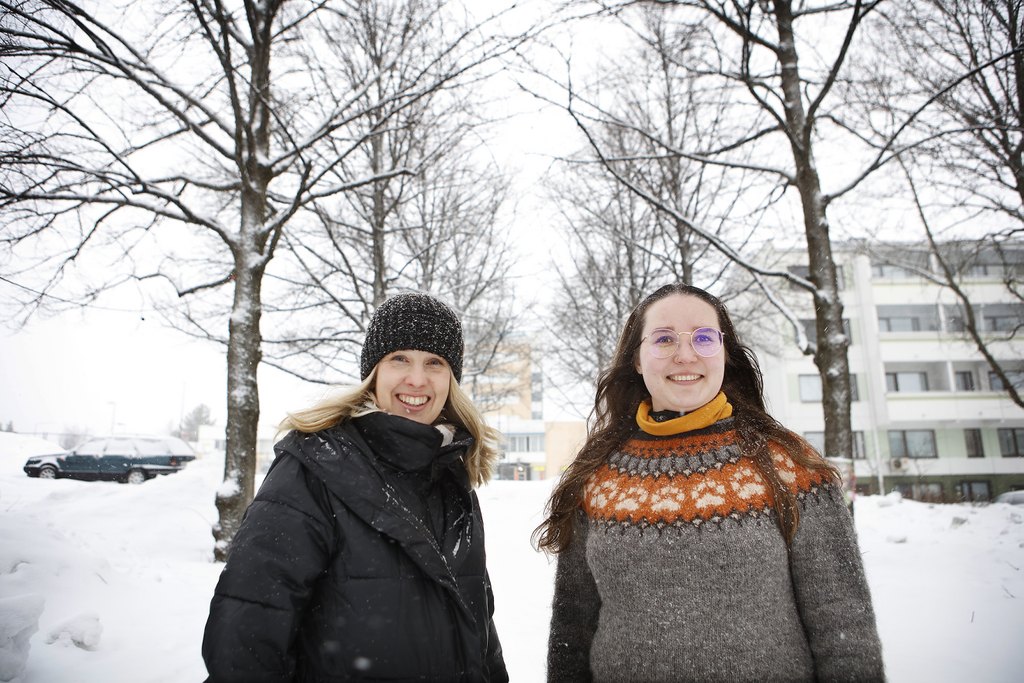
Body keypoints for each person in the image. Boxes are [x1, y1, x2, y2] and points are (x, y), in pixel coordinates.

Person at [537, 283, 884, 682]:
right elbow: (572, 627)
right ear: (636, 358)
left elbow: (843, 624)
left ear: (724, 353)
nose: (686, 354)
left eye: (704, 338)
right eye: (664, 338)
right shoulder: (597, 473)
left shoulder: (790, 466)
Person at [203, 292, 508, 683]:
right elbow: (246, 635)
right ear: (374, 371)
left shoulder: (452, 476)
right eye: (399, 358)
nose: (417, 379)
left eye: (435, 362)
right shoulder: (311, 469)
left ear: (451, 379)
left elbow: (479, 627)